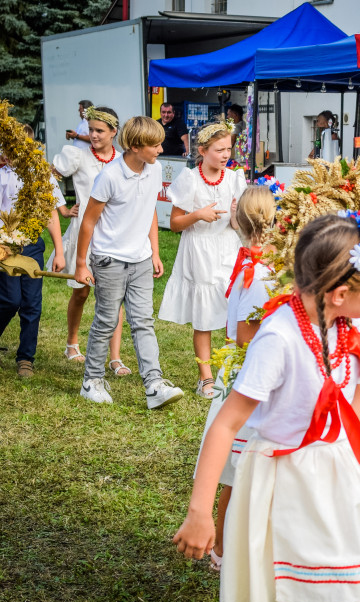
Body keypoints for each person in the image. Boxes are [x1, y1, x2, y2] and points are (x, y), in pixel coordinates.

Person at [173, 209, 360, 602]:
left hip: (338, 479)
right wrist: (199, 511)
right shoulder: (279, 338)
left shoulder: (346, 331)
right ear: (340, 294)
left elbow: (358, 408)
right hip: (292, 482)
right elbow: (226, 425)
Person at [74, 116, 184, 409]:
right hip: (109, 259)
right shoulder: (110, 176)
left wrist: (155, 252)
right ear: (136, 146)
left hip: (141, 260)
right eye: (155, 145)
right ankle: (92, 381)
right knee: (107, 320)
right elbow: (88, 222)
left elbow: (149, 210)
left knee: (143, 321)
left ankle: (154, 384)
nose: (161, 150)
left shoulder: (155, 168)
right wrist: (81, 264)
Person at [194, 185, 277, 572]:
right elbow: (245, 334)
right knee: (236, 471)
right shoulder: (259, 271)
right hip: (249, 370)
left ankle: (235, 548)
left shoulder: (255, 264)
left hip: (246, 368)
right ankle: (224, 551)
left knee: (243, 471)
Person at [158, 120, 248, 398]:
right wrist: (198, 215)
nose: (225, 155)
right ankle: (206, 377)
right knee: (205, 317)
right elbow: (174, 223)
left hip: (227, 248)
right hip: (199, 250)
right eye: (219, 149)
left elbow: (236, 225)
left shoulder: (234, 178)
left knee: (235, 312)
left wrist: (234, 215)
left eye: (228, 149)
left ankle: (234, 372)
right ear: (202, 150)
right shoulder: (190, 179)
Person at [0, 128, 69, 379]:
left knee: (31, 304)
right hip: (4, 245)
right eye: (4, 149)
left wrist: (59, 251)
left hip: (33, 246)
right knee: (10, 301)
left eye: (14, 148)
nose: (7, 154)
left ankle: (26, 358)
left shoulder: (42, 178)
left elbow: (50, 215)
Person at [48, 105, 130, 374]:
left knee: (113, 297)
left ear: (113, 132)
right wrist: (62, 207)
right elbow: (47, 178)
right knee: (81, 292)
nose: (93, 135)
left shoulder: (123, 159)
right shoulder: (77, 156)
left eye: (99, 131)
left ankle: (115, 358)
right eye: (90, 130)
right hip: (85, 231)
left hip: (115, 235)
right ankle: (72, 342)